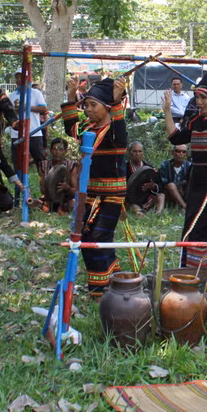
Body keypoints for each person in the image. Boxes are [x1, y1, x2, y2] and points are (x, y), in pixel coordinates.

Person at [162, 68, 207, 268]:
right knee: (196, 223)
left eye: (204, 98)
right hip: (196, 177)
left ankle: (191, 270)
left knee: (195, 224)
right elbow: (175, 138)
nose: (199, 102)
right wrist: (168, 111)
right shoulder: (197, 121)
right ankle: (205, 268)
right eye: (197, 98)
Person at [62, 75, 128, 297]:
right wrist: (71, 97)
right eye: (86, 105)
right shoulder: (88, 129)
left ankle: (101, 291)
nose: (88, 109)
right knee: (86, 236)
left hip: (111, 195)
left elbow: (121, 135)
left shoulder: (113, 131)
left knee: (99, 237)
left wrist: (118, 102)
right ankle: (109, 282)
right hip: (90, 193)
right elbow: (70, 127)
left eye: (93, 105)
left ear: (108, 107)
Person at [8, 71, 48, 176]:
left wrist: (27, 107)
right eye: (16, 77)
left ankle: (46, 184)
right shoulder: (12, 96)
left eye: (20, 77)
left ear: (27, 78)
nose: (18, 80)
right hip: (17, 134)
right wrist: (15, 110)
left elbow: (43, 108)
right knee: (17, 163)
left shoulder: (35, 93)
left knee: (41, 162)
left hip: (34, 132)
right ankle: (20, 188)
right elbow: (8, 114)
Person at [125, 141, 164, 215]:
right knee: (135, 207)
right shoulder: (125, 168)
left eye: (140, 151)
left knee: (161, 196)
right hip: (133, 200)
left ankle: (158, 214)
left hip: (148, 198)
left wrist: (153, 186)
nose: (137, 154)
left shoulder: (149, 168)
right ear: (130, 153)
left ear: (143, 153)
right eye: (135, 151)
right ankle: (139, 213)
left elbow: (160, 185)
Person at [40, 137, 77, 213]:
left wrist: (67, 188)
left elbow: (75, 191)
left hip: (66, 199)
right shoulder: (44, 165)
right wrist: (51, 186)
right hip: (49, 198)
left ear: (65, 151)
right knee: (34, 203)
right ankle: (51, 207)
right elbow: (42, 189)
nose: (57, 152)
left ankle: (62, 208)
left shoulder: (71, 166)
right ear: (51, 150)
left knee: (73, 203)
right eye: (54, 149)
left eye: (60, 149)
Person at [157, 144, 192, 210]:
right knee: (171, 186)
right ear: (172, 152)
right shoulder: (165, 165)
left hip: (184, 194)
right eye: (178, 151)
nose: (181, 153)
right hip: (168, 195)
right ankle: (185, 207)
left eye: (183, 152)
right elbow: (164, 183)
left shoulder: (189, 165)